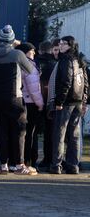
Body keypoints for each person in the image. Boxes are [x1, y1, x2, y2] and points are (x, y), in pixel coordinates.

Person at [0, 25, 36, 175]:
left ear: (0, 39)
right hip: (15, 97)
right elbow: (30, 70)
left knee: (1, 131)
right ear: (12, 40)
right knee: (19, 131)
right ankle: (19, 165)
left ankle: (3, 165)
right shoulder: (17, 54)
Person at [50, 36, 88, 174]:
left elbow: (66, 81)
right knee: (74, 135)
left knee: (59, 134)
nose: (60, 45)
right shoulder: (79, 59)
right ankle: (73, 165)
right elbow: (85, 82)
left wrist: (59, 101)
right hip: (77, 102)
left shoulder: (65, 60)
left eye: (63, 43)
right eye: (60, 43)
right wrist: (84, 100)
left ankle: (56, 165)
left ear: (70, 45)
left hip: (66, 103)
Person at [18, 42, 45, 169]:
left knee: (21, 133)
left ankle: (19, 160)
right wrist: (40, 104)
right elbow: (34, 88)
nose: (34, 53)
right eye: (31, 51)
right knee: (30, 134)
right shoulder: (30, 65)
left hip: (20, 101)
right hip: (31, 103)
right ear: (25, 53)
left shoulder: (18, 64)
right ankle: (30, 161)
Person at [35, 40, 58, 169]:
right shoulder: (56, 64)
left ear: (39, 50)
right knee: (51, 132)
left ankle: (30, 159)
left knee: (32, 131)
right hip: (51, 101)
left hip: (35, 100)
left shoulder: (35, 63)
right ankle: (50, 159)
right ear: (51, 50)